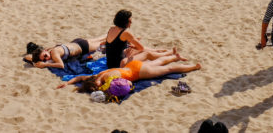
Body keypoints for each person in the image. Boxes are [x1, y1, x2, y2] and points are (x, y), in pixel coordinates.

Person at [58, 55, 201, 92]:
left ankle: (193, 66)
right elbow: (79, 77)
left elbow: (122, 85)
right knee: (159, 63)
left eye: (94, 86)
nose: (97, 87)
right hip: (132, 66)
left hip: (138, 71)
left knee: (169, 70)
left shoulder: (106, 80)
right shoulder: (97, 76)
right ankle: (175, 56)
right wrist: (67, 83)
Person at [23, 37, 105, 69]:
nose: (46, 58)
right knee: (102, 38)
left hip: (83, 47)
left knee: (106, 42)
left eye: (45, 56)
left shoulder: (54, 53)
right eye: (44, 59)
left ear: (44, 51)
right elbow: (27, 57)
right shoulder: (48, 50)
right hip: (77, 42)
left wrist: (46, 64)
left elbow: (61, 65)